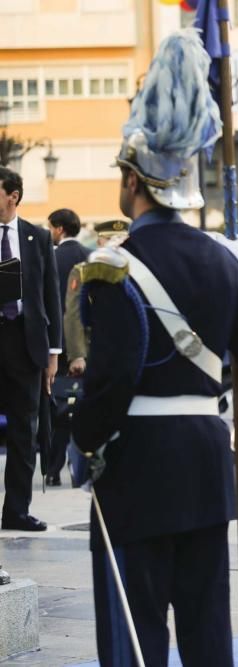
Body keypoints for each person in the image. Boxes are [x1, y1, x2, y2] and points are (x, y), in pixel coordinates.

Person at [70, 31, 238, 666]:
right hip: (206, 463)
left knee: (135, 636)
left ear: (133, 180)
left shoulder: (114, 267)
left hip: (138, 470)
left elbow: (109, 381)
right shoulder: (224, 263)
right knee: (206, 629)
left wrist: (81, 437)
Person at [0, 166, 61, 532]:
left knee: (25, 429)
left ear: (13, 196)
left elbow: (51, 296)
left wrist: (54, 354)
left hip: (25, 344)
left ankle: (16, 510)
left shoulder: (37, 238)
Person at [62, 221, 130, 488]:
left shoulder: (135, 271)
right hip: (96, 352)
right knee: (95, 410)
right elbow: (74, 316)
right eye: (111, 239)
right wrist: (77, 354)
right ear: (100, 242)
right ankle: (86, 466)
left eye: (122, 238)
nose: (117, 244)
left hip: (125, 354)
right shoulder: (84, 271)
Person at [44, 208, 91, 486]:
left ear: (59, 229)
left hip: (57, 346)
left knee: (58, 407)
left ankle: (53, 467)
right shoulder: (90, 256)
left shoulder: (50, 257)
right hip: (89, 346)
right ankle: (81, 465)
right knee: (85, 403)